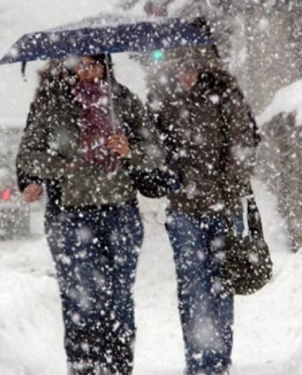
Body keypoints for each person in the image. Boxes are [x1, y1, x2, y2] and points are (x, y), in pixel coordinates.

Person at [16, 54, 165, 375]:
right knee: (82, 300)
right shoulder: (57, 107)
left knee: (119, 299)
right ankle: (85, 368)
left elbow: (156, 153)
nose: (87, 71)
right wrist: (64, 166)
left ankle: (118, 368)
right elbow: (28, 156)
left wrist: (130, 151)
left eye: (94, 64)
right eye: (81, 65)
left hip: (121, 214)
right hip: (73, 216)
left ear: (105, 66)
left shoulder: (124, 102)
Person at [149, 47, 258, 375]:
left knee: (221, 284)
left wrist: (228, 189)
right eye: (180, 70)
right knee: (193, 284)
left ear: (205, 70)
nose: (185, 77)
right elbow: (153, 147)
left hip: (222, 207)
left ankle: (218, 359)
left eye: (191, 70)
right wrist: (166, 170)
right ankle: (199, 361)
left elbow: (244, 144)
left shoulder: (226, 97)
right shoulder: (164, 100)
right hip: (182, 208)